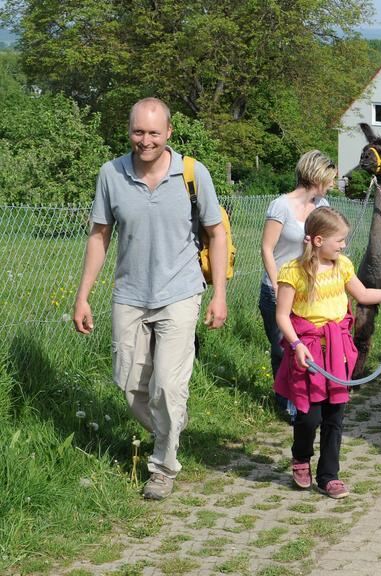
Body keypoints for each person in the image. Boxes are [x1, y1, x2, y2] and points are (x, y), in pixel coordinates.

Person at [73, 97, 228, 500]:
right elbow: (99, 235)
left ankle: (163, 467)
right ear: (129, 131)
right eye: (138, 132)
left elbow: (216, 232)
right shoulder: (111, 174)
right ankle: (171, 426)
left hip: (181, 291)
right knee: (129, 384)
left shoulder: (194, 174)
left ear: (169, 133)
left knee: (166, 387)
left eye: (154, 133)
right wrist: (83, 296)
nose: (145, 140)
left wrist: (220, 295)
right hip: (129, 294)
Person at [275, 207, 381, 498]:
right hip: (309, 351)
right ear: (317, 240)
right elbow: (282, 316)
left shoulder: (343, 266)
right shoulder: (292, 272)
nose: (343, 245)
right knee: (308, 417)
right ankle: (301, 457)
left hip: (337, 351)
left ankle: (329, 475)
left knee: (335, 415)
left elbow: (363, 294)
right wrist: (296, 345)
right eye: (339, 240)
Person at [260, 150, 337, 423]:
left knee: (307, 348)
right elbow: (267, 249)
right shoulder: (280, 206)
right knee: (283, 347)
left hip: (309, 291)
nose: (332, 184)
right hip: (278, 290)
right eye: (329, 178)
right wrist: (276, 284)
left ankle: (307, 398)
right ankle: (286, 401)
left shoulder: (323, 205)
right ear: (317, 176)